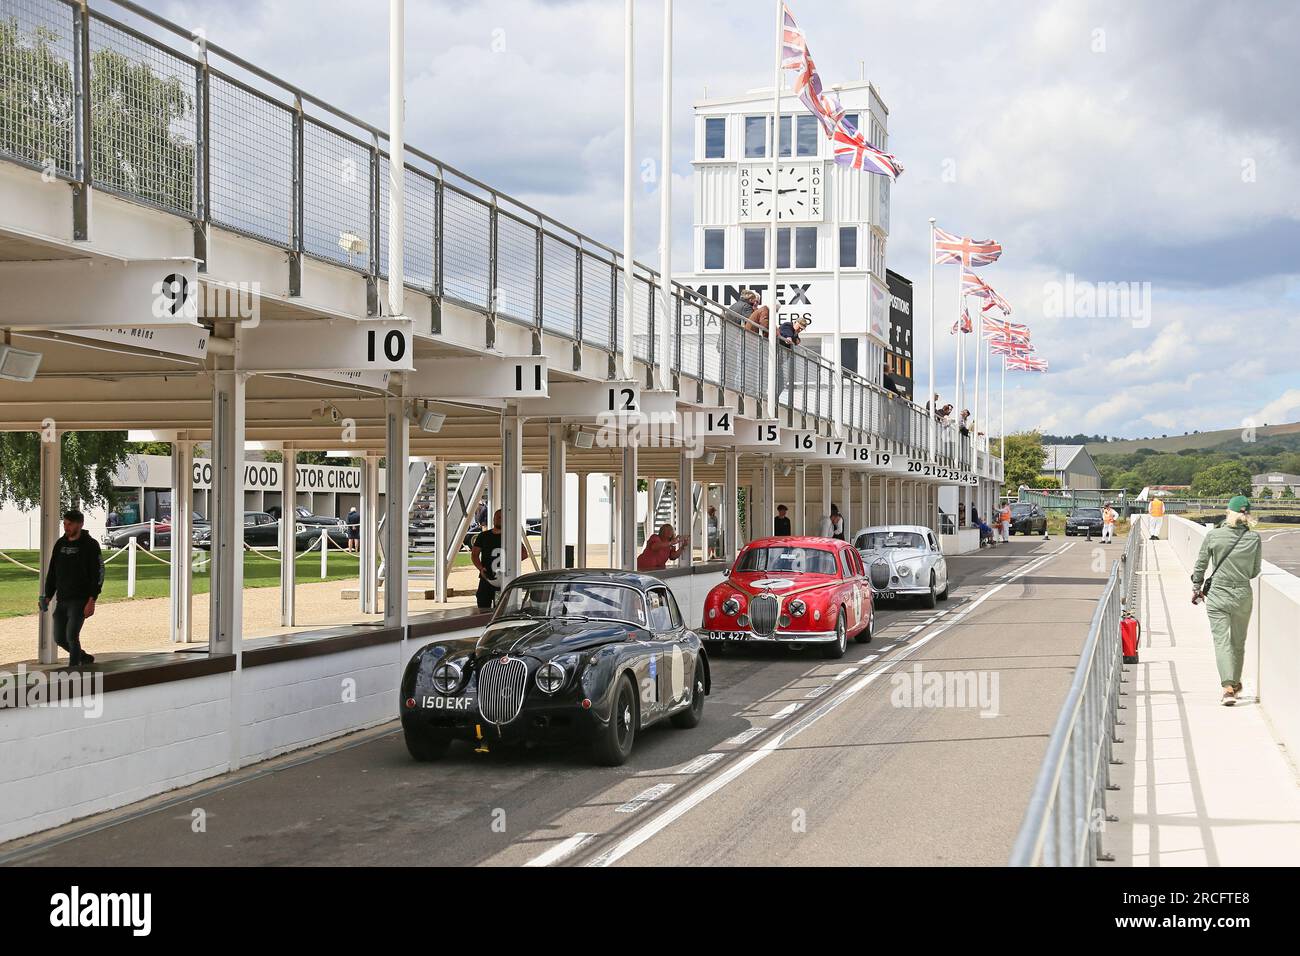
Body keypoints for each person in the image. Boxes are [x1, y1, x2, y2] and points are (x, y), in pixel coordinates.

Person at [1191, 496, 1262, 706]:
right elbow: (1255, 571)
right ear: (1247, 514)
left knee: (1221, 641)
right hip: (1242, 594)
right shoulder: (1254, 538)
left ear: (1228, 512)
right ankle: (1235, 683)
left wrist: (1197, 586)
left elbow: (1201, 564)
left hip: (1218, 594)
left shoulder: (1214, 535)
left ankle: (1227, 688)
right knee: (1238, 642)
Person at [38, 509, 104, 668]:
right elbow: (53, 571)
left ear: (80, 524)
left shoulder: (90, 545)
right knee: (59, 638)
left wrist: (92, 600)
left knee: (72, 636)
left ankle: (73, 670)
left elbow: (98, 573)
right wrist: (48, 595)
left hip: (80, 599)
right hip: (62, 599)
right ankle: (84, 657)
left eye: (70, 524)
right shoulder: (60, 544)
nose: (66, 527)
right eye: (65, 524)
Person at [471, 509, 506, 610]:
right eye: (498, 517)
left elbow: (524, 553)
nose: (499, 520)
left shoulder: (510, 536)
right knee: (482, 604)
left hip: (504, 577)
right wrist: (481, 568)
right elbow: (474, 555)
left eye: (502, 518)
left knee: (500, 608)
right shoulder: (483, 536)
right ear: (493, 519)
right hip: (486, 576)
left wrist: (509, 561)